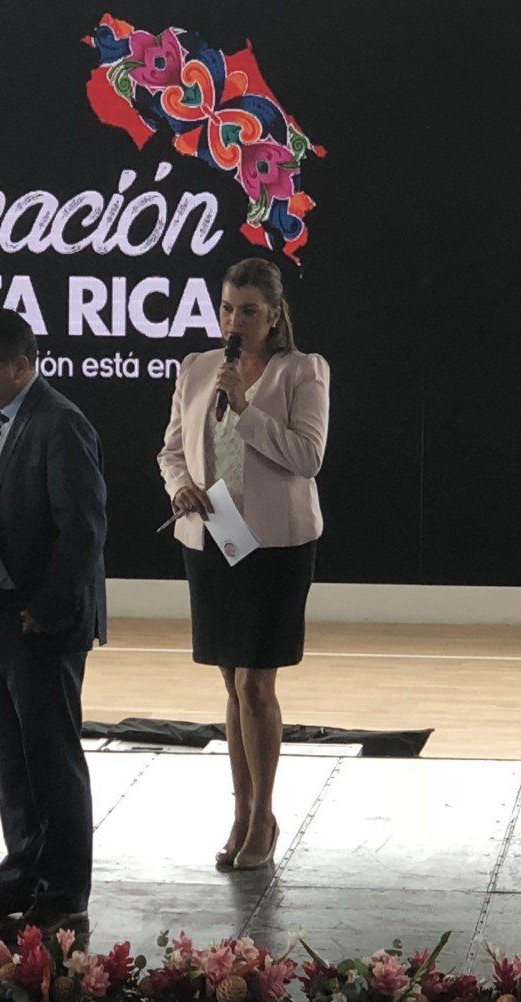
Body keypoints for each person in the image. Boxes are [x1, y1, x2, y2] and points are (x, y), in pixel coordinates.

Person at [157, 257, 329, 872]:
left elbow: (307, 456)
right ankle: (241, 807)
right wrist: (179, 487)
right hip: (211, 539)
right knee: (231, 684)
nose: (235, 321)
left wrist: (245, 410)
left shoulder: (302, 371)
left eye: (249, 311)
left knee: (258, 684)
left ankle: (264, 817)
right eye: (228, 308)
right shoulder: (198, 367)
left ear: (275, 315)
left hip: (275, 546)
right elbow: (173, 449)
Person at [0, 307, 107, 936]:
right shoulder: (1, 421)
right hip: (2, 613)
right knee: (11, 758)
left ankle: (63, 892)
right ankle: (19, 881)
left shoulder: (61, 424)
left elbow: (83, 529)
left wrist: (46, 607)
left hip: (42, 621)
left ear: (20, 364)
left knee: (51, 759)